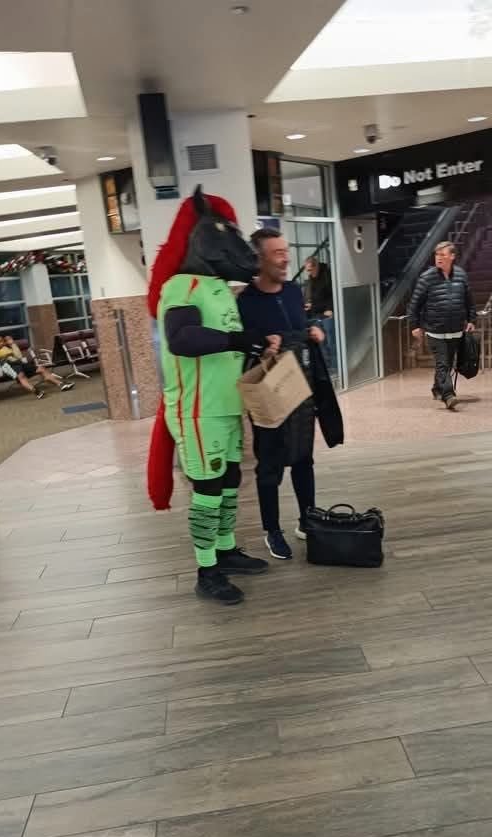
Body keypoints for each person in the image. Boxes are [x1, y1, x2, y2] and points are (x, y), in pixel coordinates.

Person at [147, 186, 278, 606]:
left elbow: (225, 343)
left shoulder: (218, 287)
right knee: (206, 489)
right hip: (197, 411)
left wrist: (254, 345)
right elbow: (182, 337)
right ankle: (207, 571)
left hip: (225, 407)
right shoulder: (182, 286)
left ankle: (224, 551)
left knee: (228, 482)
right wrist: (240, 339)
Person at [238, 229, 344, 561]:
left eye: (286, 251)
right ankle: (272, 530)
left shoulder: (295, 291)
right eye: (277, 253)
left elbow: (298, 323)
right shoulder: (246, 302)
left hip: (303, 385)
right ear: (259, 258)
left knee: (303, 457)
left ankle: (307, 519)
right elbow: (242, 345)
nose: (285, 258)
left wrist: (311, 330)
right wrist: (260, 342)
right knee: (269, 465)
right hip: (270, 392)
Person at [409, 241, 477, 410]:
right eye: (437, 255)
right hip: (434, 330)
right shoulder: (427, 278)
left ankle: (437, 388)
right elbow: (414, 304)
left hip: (455, 330)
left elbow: (469, 300)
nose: (439, 258)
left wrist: (471, 320)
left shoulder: (461, 275)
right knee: (442, 363)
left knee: (446, 363)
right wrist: (415, 325)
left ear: (452, 256)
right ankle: (448, 395)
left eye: (443, 255)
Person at [0, 336, 74, 398]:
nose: (3, 342)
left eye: (3, 341)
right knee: (22, 377)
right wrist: (6, 355)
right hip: (9, 366)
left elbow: (19, 356)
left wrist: (13, 344)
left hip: (19, 363)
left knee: (41, 369)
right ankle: (37, 392)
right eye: (0, 341)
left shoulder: (7, 347)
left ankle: (61, 384)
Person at [304, 257, 337, 375]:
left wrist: (330, 309)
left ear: (316, 267)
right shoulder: (311, 279)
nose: (308, 273)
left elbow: (332, 294)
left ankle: (335, 366)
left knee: (330, 340)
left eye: (310, 270)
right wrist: (309, 304)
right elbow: (313, 295)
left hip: (327, 313)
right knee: (321, 341)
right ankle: (327, 366)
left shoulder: (326, 276)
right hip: (316, 314)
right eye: (307, 270)